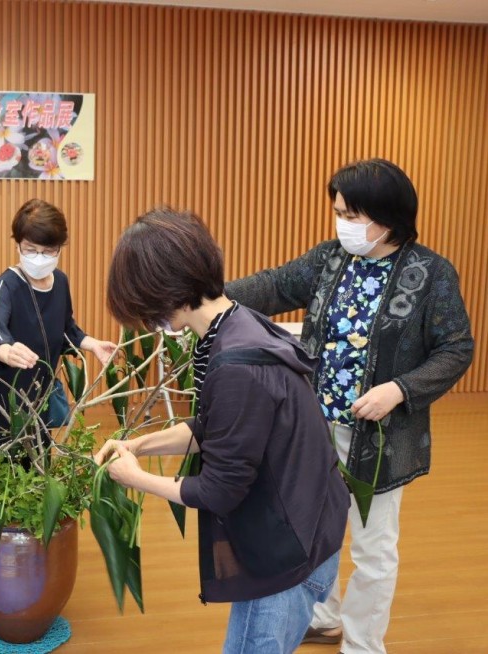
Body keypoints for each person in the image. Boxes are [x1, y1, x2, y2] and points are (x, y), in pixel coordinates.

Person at [225, 159, 474, 654]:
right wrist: (208, 300)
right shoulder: (331, 258)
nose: (342, 223)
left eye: (351, 214)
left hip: (379, 439)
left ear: (387, 219)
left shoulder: (431, 274)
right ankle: (324, 615)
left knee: (373, 549)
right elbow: (275, 286)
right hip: (312, 428)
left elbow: (456, 348)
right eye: (338, 212)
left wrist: (399, 389)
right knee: (315, 527)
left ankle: (363, 644)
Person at [95, 207, 349, 654]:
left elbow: (218, 491)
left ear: (162, 289)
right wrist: (137, 443)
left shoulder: (236, 363)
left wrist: (134, 478)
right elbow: (215, 428)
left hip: (286, 558)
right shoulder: (235, 325)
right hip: (309, 528)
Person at [0, 198, 116, 446]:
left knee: (36, 456)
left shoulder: (60, 281)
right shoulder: (7, 284)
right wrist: (4, 349)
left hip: (39, 388)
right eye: (30, 249)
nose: (39, 257)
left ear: (59, 248)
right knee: (1, 459)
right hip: (2, 389)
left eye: (48, 251)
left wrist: (91, 344)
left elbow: (65, 326)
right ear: (18, 246)